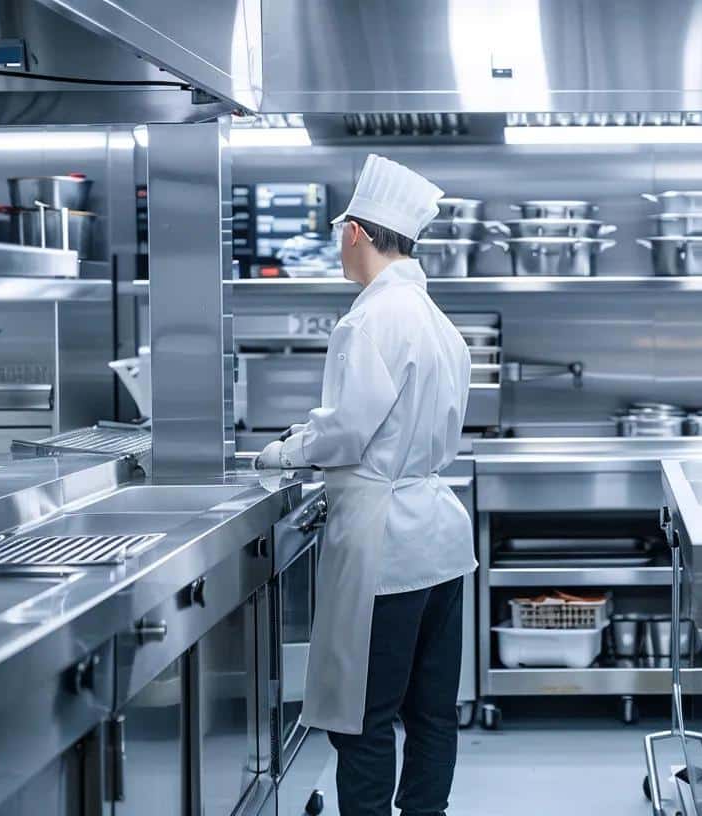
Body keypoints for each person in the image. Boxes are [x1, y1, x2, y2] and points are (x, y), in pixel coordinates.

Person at [256, 154, 473, 816]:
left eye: (339, 235)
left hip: (387, 548)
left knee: (364, 720)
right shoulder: (438, 321)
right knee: (432, 714)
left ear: (355, 232)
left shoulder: (369, 318)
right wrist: (316, 434)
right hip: (439, 540)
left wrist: (285, 450)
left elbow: (347, 433)